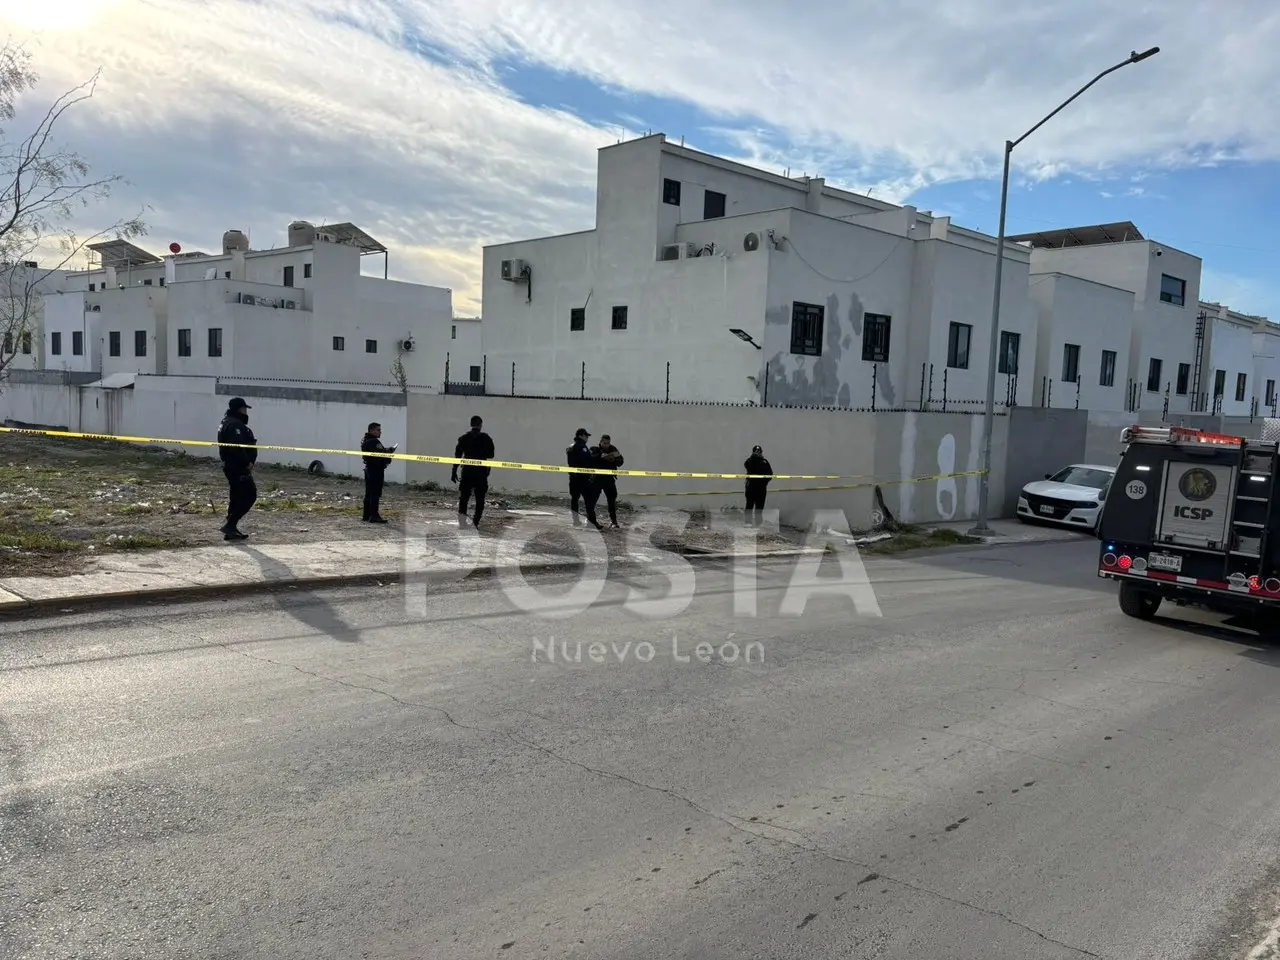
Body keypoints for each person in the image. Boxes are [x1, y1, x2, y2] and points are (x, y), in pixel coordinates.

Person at [217, 397, 257, 540]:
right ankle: (230, 525)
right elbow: (238, 448)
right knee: (250, 495)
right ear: (240, 409)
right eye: (245, 409)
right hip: (237, 467)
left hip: (231, 466)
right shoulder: (235, 425)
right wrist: (247, 462)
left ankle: (230, 530)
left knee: (236, 496)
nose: (246, 412)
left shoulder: (227, 422)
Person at [451, 415, 495, 527]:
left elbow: (457, 456)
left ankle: (462, 523)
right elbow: (491, 454)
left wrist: (454, 471)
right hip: (481, 472)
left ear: (471, 425)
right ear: (480, 425)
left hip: (467, 472)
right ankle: (475, 523)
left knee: (464, 498)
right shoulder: (486, 438)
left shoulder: (463, 438)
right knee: (480, 499)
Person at [360, 422, 397, 523]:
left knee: (369, 493)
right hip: (375, 470)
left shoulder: (366, 440)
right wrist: (390, 450)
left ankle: (366, 515)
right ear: (371, 430)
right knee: (375, 493)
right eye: (378, 430)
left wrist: (387, 450)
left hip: (369, 469)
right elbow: (382, 454)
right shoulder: (373, 441)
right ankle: (374, 515)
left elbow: (379, 452)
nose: (380, 432)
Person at [566, 427, 601, 528]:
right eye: (586, 436)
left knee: (574, 500)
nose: (587, 438)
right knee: (589, 501)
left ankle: (576, 521)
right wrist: (597, 456)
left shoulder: (570, 447)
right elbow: (587, 461)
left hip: (573, 478)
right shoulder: (582, 447)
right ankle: (592, 523)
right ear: (580, 435)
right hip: (582, 479)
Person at [590, 433, 625, 528]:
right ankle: (590, 521)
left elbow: (621, 461)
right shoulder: (595, 449)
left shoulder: (613, 449)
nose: (606, 445)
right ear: (600, 442)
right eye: (604, 443)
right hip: (597, 477)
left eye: (608, 443)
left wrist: (614, 459)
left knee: (612, 498)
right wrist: (601, 456)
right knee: (593, 499)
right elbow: (591, 460)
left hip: (609, 478)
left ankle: (614, 521)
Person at [743, 444, 773, 527]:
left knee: (759, 506)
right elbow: (747, 465)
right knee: (749, 505)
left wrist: (764, 482)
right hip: (751, 487)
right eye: (756, 452)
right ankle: (748, 522)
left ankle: (758, 523)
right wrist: (753, 457)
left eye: (759, 452)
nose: (758, 453)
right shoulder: (750, 461)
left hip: (761, 488)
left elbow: (770, 474)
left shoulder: (765, 462)